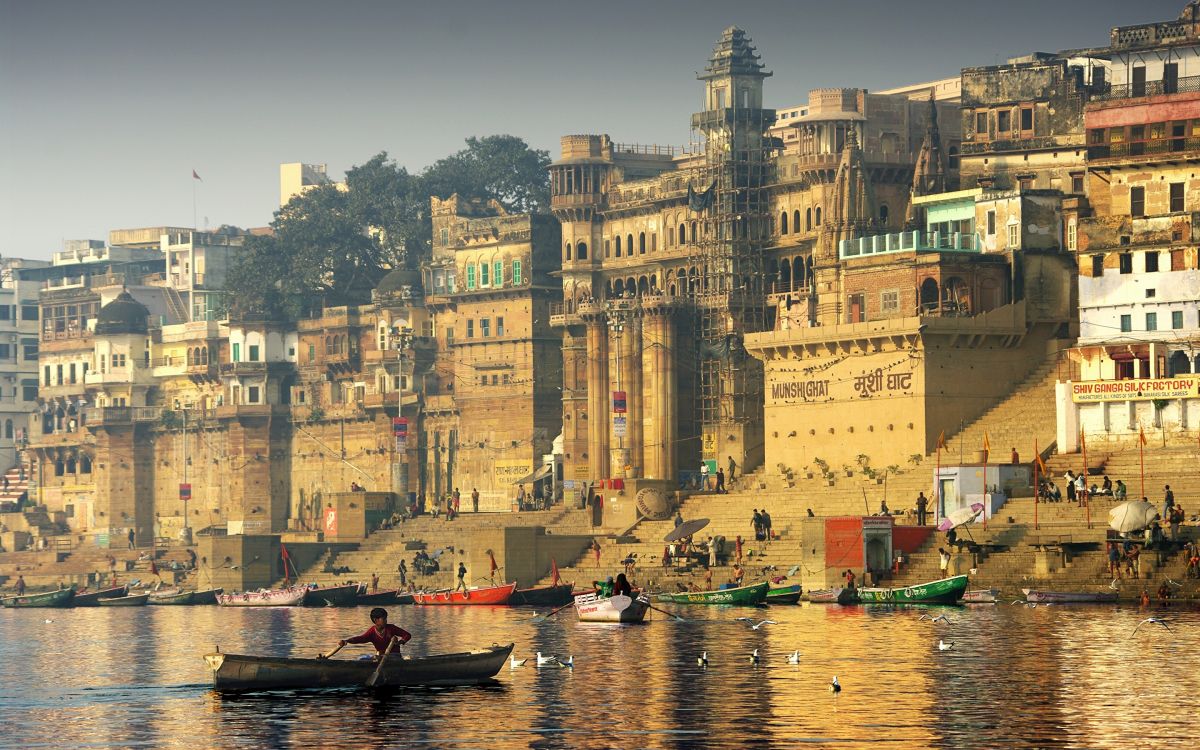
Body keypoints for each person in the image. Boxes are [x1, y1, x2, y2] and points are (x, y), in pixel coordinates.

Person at [336, 608, 411, 660]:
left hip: (394, 656)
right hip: (380, 656)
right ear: (376, 620)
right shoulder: (372, 631)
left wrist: (399, 642)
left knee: (377, 658)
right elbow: (361, 638)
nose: (386, 621)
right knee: (361, 659)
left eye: (386, 618)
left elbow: (407, 635)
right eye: (384, 619)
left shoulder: (391, 628)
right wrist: (347, 641)